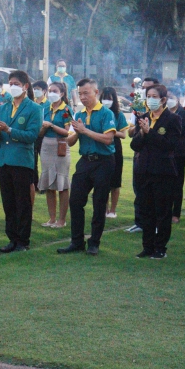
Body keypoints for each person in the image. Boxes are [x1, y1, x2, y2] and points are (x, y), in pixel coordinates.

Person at [57, 78, 116, 256]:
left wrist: (85, 131)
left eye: (86, 93)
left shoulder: (106, 113)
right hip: (85, 161)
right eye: (80, 94)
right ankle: (77, 241)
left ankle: (94, 243)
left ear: (96, 93)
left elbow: (108, 139)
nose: (82, 97)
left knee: (99, 202)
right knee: (75, 201)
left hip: (103, 161)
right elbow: (70, 141)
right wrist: (75, 133)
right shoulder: (79, 114)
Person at [0, 70, 42, 252]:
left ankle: (22, 240)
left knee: (22, 202)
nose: (12, 87)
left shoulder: (34, 109)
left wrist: (9, 130)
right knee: (8, 203)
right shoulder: (4, 107)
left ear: (25, 86)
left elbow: (32, 136)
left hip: (21, 161)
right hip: (4, 161)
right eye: (10, 83)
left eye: (16, 84)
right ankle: (12, 238)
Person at [130, 84, 182, 259]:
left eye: (154, 96)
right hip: (144, 171)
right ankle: (147, 246)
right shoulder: (144, 117)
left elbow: (170, 145)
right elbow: (135, 145)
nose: (150, 100)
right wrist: (143, 133)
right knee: (146, 211)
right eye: (148, 96)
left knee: (163, 212)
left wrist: (150, 132)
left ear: (163, 99)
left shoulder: (173, 119)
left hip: (163, 171)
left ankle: (160, 248)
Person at [126, 77, 159, 233]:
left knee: (155, 191)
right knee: (138, 189)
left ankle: (156, 223)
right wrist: (139, 125)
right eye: (144, 88)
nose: (146, 92)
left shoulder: (161, 110)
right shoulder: (139, 106)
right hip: (140, 153)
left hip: (155, 155)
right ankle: (140, 222)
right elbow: (130, 132)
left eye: (150, 89)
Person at [38, 81, 72, 227]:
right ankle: (52, 218)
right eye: (50, 90)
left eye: (55, 91)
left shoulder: (66, 110)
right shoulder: (45, 109)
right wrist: (43, 128)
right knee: (49, 183)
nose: (51, 93)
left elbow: (67, 132)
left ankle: (62, 219)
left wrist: (51, 125)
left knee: (62, 184)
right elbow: (39, 133)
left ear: (62, 94)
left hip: (60, 146)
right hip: (46, 146)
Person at [101, 87, 128, 219]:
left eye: (109, 98)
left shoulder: (118, 114)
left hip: (115, 148)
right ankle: (104, 208)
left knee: (115, 181)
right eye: (104, 98)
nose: (106, 101)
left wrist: (110, 131)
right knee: (103, 181)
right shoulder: (98, 113)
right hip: (101, 147)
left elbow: (123, 134)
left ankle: (113, 210)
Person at [167, 88, 185, 224]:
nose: (169, 99)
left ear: (178, 98)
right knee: (165, 183)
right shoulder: (163, 112)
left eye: (171, 97)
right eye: (167, 97)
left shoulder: (183, 113)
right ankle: (166, 211)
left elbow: (183, 130)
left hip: (179, 152)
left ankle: (176, 213)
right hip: (165, 152)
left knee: (177, 183)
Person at [31, 80, 50, 203]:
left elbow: (47, 121)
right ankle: (35, 184)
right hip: (33, 135)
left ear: (44, 91)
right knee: (33, 161)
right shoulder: (32, 103)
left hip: (44, 135)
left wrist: (41, 131)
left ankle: (44, 185)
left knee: (44, 161)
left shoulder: (48, 104)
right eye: (35, 89)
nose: (36, 91)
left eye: (38, 89)